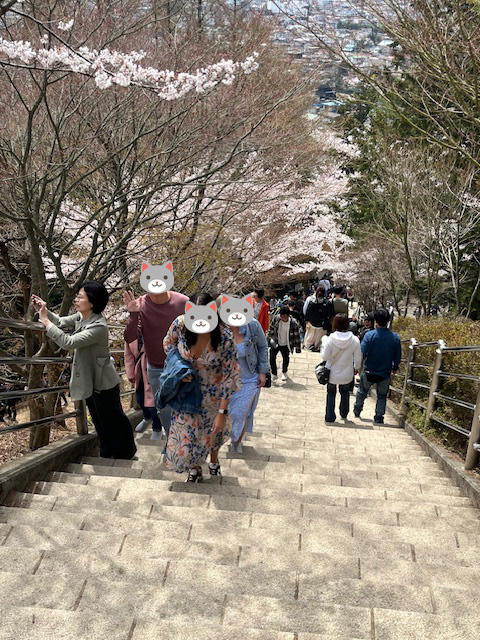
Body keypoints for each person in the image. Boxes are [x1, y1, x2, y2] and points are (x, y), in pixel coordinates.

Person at [32, 284, 137, 460]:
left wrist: (46, 322)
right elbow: (61, 322)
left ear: (92, 302)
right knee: (98, 420)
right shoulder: (81, 317)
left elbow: (68, 342)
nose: (76, 300)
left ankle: (125, 453)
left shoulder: (99, 326)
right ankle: (107, 452)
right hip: (90, 379)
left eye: (81, 297)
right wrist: (45, 311)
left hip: (104, 381)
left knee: (113, 419)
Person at [163, 293, 241, 481]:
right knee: (189, 434)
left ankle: (213, 459)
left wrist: (222, 411)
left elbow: (231, 374)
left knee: (213, 432)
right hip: (187, 392)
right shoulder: (180, 325)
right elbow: (167, 344)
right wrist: (179, 370)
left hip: (213, 395)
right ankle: (195, 467)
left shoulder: (224, 338)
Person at [123, 282, 188, 444]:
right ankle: (172, 441)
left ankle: (185, 442)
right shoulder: (140, 304)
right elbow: (130, 337)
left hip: (181, 366)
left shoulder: (183, 302)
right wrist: (133, 314)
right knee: (163, 408)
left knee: (185, 406)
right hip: (155, 366)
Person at [353, 308, 402, 425]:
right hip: (385, 372)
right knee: (382, 395)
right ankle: (379, 416)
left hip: (369, 370)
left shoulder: (370, 335)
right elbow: (398, 355)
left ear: (375, 321)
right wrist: (395, 367)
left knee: (362, 391)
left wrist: (357, 366)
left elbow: (362, 352)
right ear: (388, 321)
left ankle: (357, 409)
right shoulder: (395, 338)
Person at [227, 316, 268, 454]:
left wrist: (263, 372)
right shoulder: (219, 328)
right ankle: (234, 436)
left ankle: (236, 440)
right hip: (228, 380)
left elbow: (263, 347)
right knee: (231, 413)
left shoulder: (252, 325)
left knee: (241, 412)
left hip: (250, 378)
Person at [321, 314, 362, 425]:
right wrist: (356, 367)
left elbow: (324, 357)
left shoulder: (330, 339)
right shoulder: (354, 340)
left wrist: (323, 344)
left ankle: (329, 416)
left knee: (331, 393)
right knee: (345, 392)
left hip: (332, 372)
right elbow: (358, 357)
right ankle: (344, 413)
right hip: (347, 372)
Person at [124, 336, 162, 434]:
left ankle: (157, 428)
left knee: (153, 400)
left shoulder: (153, 325)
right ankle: (147, 417)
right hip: (139, 369)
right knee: (139, 397)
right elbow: (128, 354)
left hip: (154, 367)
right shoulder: (131, 332)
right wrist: (130, 372)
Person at [267, 306, 301, 381]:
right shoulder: (276, 319)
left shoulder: (293, 323)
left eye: (284, 316)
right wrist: (268, 339)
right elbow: (271, 329)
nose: (282, 318)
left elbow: (297, 336)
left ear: (288, 315)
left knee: (286, 358)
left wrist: (298, 348)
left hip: (286, 344)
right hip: (276, 341)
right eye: (281, 316)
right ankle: (274, 373)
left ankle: (284, 372)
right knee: (272, 358)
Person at [303, 285, 334, 351]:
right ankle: (317, 346)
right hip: (322, 324)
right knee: (319, 338)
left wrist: (307, 320)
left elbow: (307, 312)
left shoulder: (312, 301)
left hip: (312, 323)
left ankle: (308, 346)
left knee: (310, 336)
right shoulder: (327, 302)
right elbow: (330, 314)